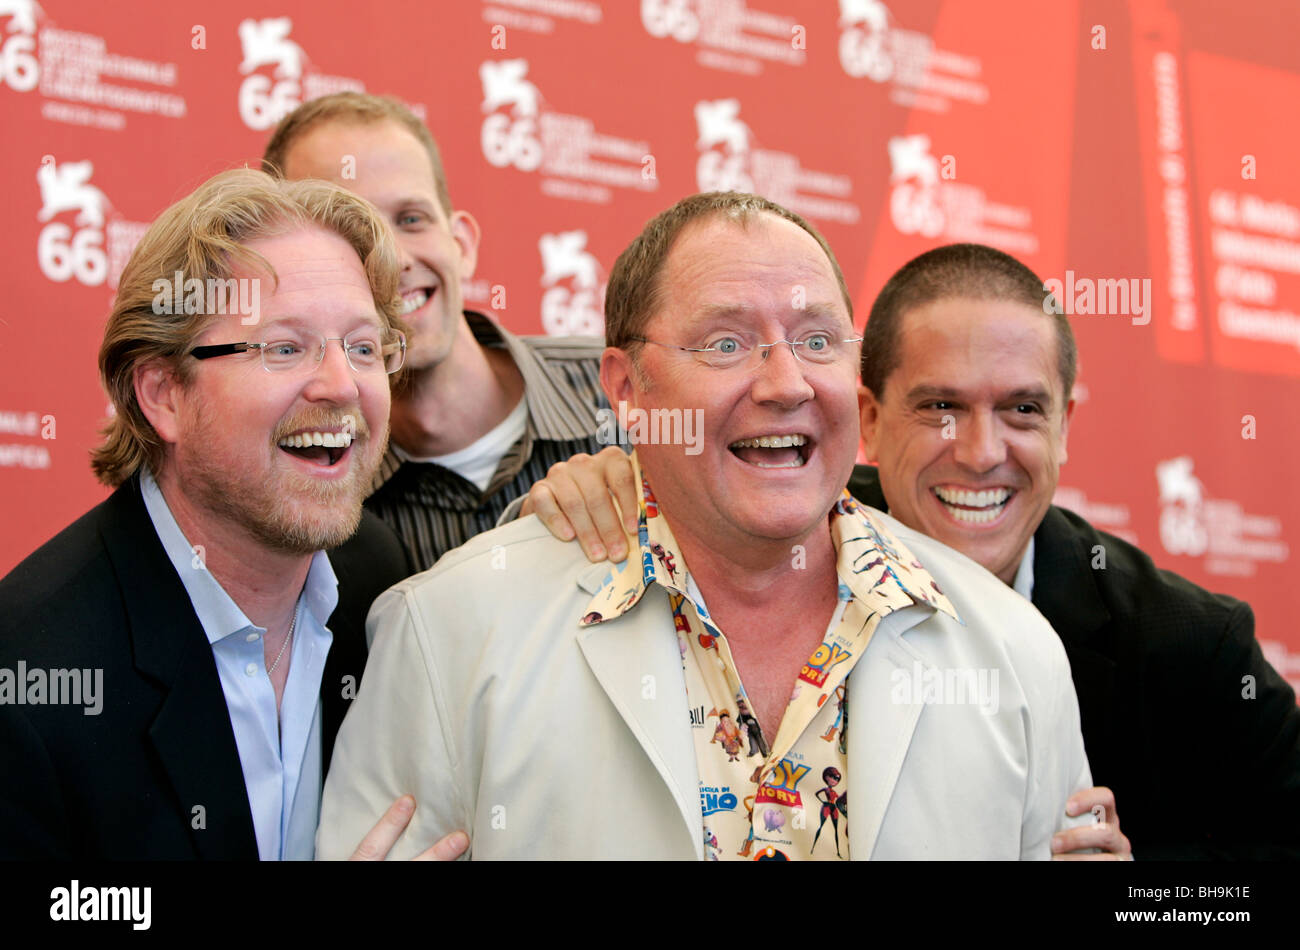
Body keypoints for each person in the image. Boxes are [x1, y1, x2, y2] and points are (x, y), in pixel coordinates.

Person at [316, 193, 1093, 860]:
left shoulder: (1014, 651)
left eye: (816, 340)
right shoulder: (448, 630)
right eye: (726, 343)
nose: (786, 383)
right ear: (628, 387)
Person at [531, 242, 1300, 860]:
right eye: (940, 406)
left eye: (1023, 410)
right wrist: (626, 477)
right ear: (866, 415)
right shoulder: (758, 522)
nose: (980, 451)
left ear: (1067, 422)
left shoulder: (1194, 647)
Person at [0, 169, 464, 861]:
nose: (341, 385)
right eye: (284, 347)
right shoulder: (31, 683)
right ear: (163, 395)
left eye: (364, 347)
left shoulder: (375, 573)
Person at [262, 92, 609, 572]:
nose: (397, 260)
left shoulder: (630, 397)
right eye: (352, 235)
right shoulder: (312, 493)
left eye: (411, 220)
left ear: (461, 243)